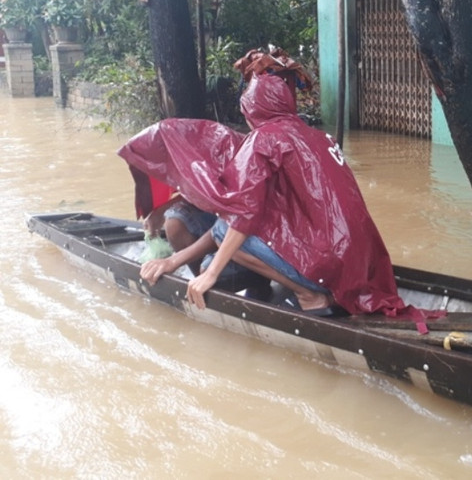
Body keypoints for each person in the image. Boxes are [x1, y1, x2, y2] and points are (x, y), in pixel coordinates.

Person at [119, 66, 414, 318]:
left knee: (224, 235)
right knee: (227, 233)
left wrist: (206, 274)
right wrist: (174, 260)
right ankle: (288, 286)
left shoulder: (263, 139)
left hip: (325, 263)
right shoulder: (320, 136)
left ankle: (310, 296)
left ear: (252, 112)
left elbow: (240, 217)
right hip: (361, 263)